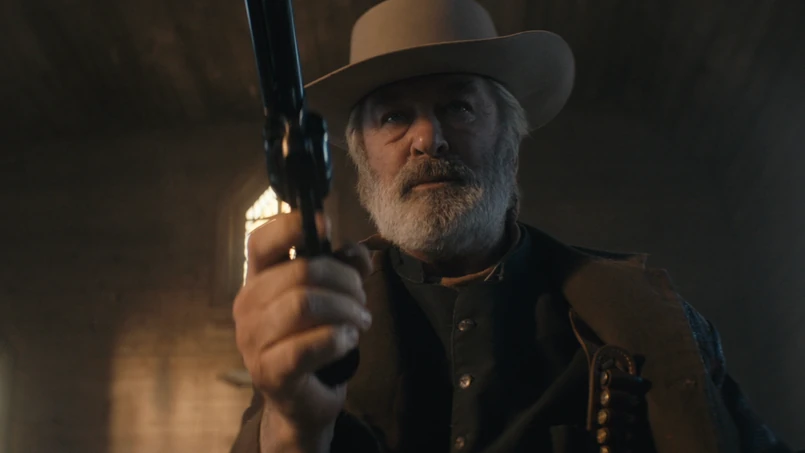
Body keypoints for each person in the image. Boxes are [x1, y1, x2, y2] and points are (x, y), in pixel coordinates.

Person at [230, 0, 798, 452]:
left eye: (459, 107)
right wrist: (293, 426)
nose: (428, 139)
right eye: (395, 117)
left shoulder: (654, 320)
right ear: (363, 158)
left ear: (510, 140)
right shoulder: (316, 324)